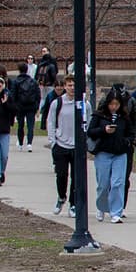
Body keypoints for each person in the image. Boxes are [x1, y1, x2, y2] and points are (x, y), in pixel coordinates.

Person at [86, 88, 132, 225]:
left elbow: (130, 133)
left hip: (120, 154)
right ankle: (101, 206)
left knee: (118, 183)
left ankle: (116, 212)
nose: (114, 107)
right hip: (103, 153)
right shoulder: (99, 116)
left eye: (117, 104)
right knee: (103, 184)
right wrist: (104, 130)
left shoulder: (124, 117)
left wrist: (127, 142)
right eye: (111, 104)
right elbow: (91, 132)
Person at [44, 75, 87, 217]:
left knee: (76, 177)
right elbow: (50, 121)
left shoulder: (84, 104)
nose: (72, 88)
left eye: (75, 85)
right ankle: (61, 197)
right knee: (61, 175)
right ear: (65, 87)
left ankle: (73, 204)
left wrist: (85, 140)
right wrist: (53, 141)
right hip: (61, 144)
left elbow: (89, 121)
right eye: (69, 85)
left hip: (77, 146)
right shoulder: (57, 103)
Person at [10, 63, 40, 151]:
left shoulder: (15, 81)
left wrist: (14, 106)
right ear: (27, 70)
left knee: (20, 125)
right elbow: (38, 94)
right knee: (30, 126)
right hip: (31, 106)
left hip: (20, 106)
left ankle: (20, 143)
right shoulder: (33, 81)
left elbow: (13, 95)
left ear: (19, 70)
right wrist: (37, 106)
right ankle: (29, 144)